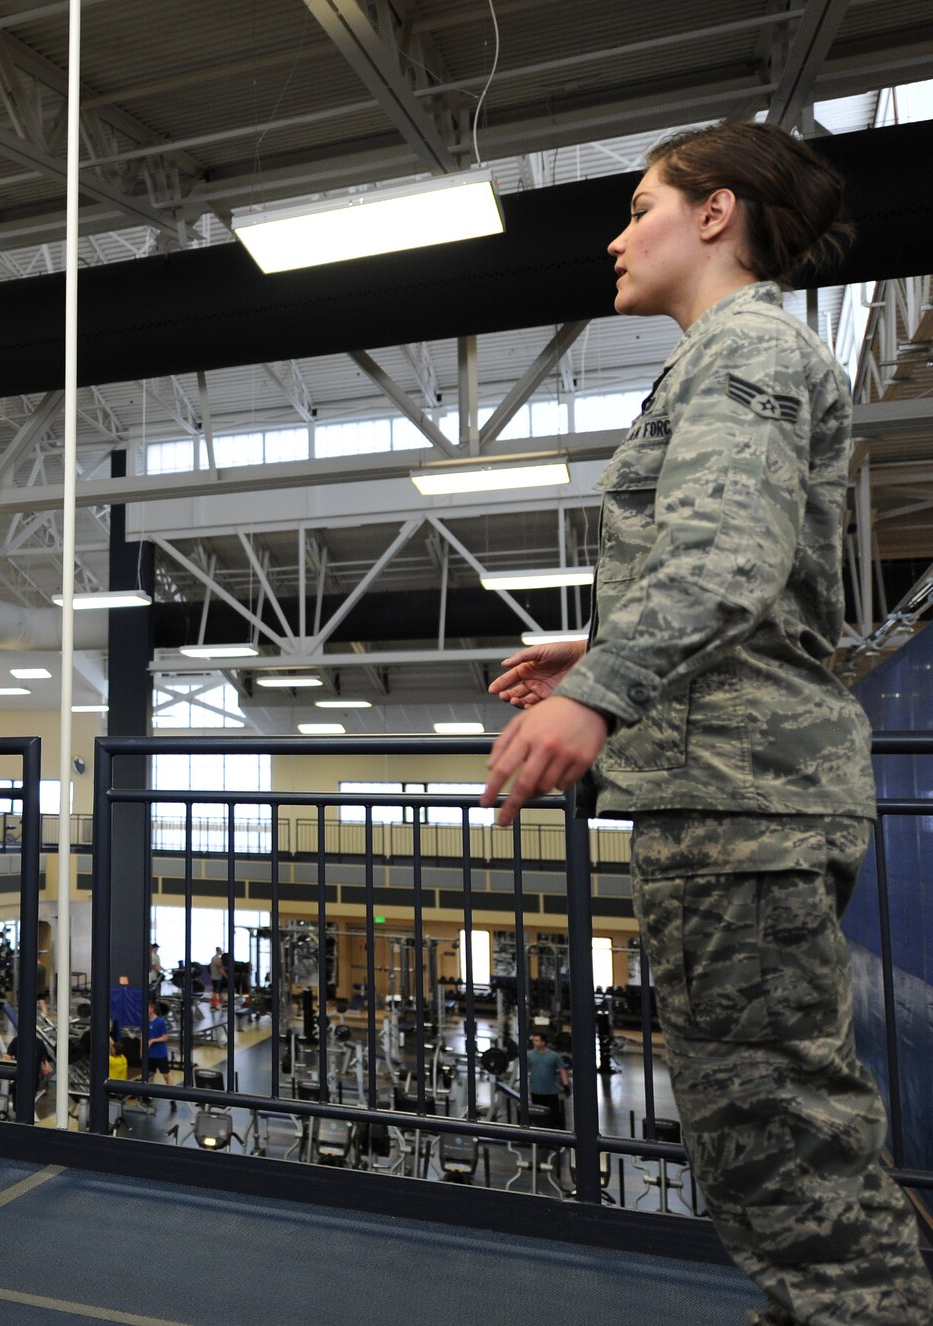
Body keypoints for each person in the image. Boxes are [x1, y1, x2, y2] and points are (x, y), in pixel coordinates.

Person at [481, 122, 932, 1323]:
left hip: (741, 802)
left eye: (640, 207)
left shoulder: (745, 355)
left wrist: (597, 692)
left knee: (774, 1143)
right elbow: (774, 585)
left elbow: (723, 552)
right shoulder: (724, 361)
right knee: (772, 1130)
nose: (619, 235)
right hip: (729, 791)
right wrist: (603, 642)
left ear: (715, 212)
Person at [523, 1031, 569, 1131]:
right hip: (535, 1091)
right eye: (533, 1040)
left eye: (536, 1040)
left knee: (553, 1116)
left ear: (543, 1042)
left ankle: (554, 1140)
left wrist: (566, 1085)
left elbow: (562, 1069)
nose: (534, 1042)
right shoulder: (529, 1055)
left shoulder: (554, 1056)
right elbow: (524, 1070)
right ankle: (541, 1140)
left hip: (550, 1092)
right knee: (539, 1117)